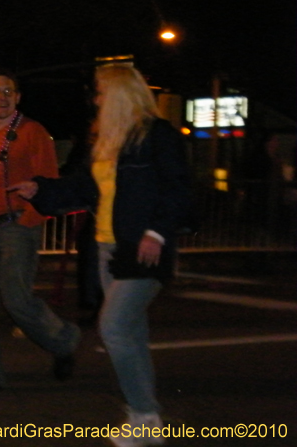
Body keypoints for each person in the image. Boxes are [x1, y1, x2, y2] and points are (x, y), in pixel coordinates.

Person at [23, 64, 190, 447]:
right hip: (106, 247)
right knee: (131, 332)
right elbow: (82, 187)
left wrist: (155, 232)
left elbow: (177, 188)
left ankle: (144, 414)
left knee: (114, 327)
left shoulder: (156, 135)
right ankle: (145, 419)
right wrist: (41, 189)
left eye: (101, 92)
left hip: (142, 246)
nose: (95, 99)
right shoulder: (106, 138)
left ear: (121, 93)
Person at [0, 68, 81, 392]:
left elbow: (48, 184)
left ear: (18, 97)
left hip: (17, 227)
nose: (2, 97)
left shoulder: (35, 133)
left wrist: (27, 220)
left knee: (17, 301)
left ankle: (64, 341)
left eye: (8, 91)